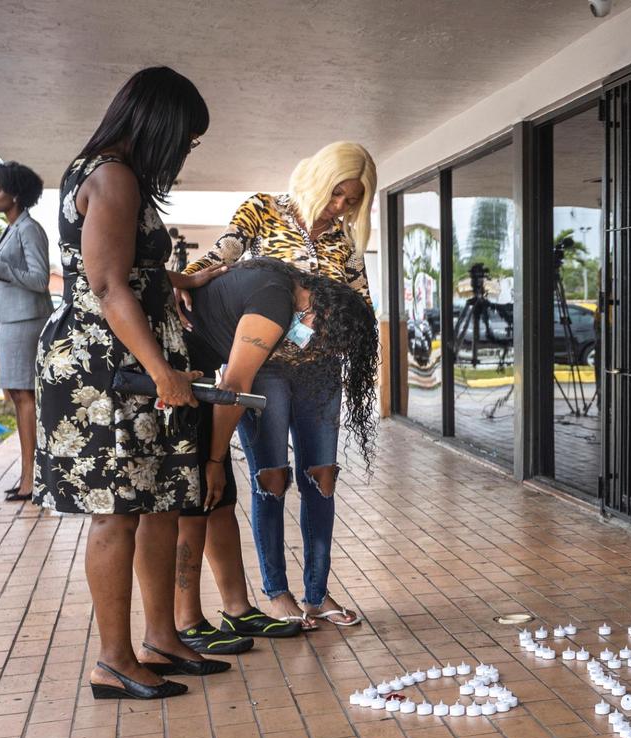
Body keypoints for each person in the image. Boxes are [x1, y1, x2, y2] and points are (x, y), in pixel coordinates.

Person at [34, 67, 228, 699]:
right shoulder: (111, 176)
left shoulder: (115, 177)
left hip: (137, 364)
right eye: (187, 140)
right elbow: (107, 285)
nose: (185, 152)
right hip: (108, 369)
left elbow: (133, 272)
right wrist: (163, 369)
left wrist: (182, 287)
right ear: (160, 125)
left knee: (161, 500)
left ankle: (162, 636)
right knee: (117, 511)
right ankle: (114, 660)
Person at [180, 141, 376, 629]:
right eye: (337, 195)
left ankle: (317, 593)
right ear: (319, 180)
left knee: (323, 476)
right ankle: (276, 591)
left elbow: (361, 304)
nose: (341, 207)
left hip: (323, 371)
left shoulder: (343, 242)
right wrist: (182, 282)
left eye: (352, 200)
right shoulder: (264, 210)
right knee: (271, 477)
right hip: (264, 366)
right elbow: (223, 255)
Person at [0, 161, 54, 501]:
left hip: (25, 322)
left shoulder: (29, 228)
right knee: (19, 397)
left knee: (26, 397)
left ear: (16, 195)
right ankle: (27, 476)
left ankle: (32, 479)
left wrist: (1, 268)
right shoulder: (11, 228)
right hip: (10, 322)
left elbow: (40, 279)